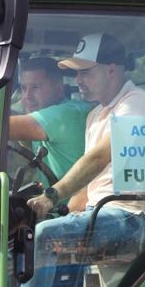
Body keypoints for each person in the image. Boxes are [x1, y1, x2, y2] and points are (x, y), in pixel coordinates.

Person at [17, 33, 145, 287]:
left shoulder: (136, 103)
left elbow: (99, 158)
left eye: (85, 73)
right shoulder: (95, 115)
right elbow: (90, 186)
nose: (77, 81)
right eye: (75, 74)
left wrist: (52, 194)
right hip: (103, 213)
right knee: (35, 235)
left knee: (44, 237)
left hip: (136, 218)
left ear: (111, 69)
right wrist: (58, 211)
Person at [8, 57, 90, 196]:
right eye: (23, 88)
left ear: (58, 89)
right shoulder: (40, 117)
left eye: (35, 87)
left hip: (78, 212)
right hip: (54, 208)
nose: (27, 95)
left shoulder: (67, 113)